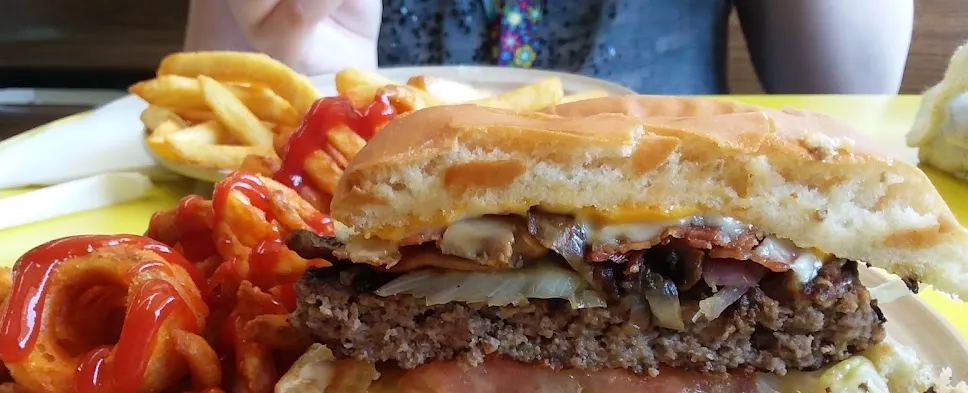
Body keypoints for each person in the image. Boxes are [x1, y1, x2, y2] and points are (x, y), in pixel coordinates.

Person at [184, 0, 914, 94]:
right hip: (360, 235)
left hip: (680, 240)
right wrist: (311, 76)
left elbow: (857, 97)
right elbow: (207, 104)